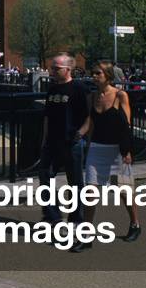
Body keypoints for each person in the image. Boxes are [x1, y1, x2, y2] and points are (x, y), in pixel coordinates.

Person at [71, 61, 139, 252]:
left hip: (117, 149)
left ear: (107, 75)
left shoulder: (120, 95)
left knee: (124, 191)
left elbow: (126, 125)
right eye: (92, 73)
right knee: (90, 193)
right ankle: (87, 236)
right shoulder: (92, 97)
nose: (93, 76)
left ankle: (135, 224)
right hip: (97, 148)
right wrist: (78, 135)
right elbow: (90, 121)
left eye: (97, 73)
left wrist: (127, 152)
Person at [38, 53, 89, 225]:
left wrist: (81, 133)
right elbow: (47, 116)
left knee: (75, 182)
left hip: (71, 142)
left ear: (68, 69)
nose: (52, 70)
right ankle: (53, 216)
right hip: (52, 141)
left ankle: (76, 218)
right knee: (45, 177)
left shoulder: (79, 88)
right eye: (52, 67)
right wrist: (44, 140)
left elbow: (90, 114)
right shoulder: (52, 88)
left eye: (56, 68)